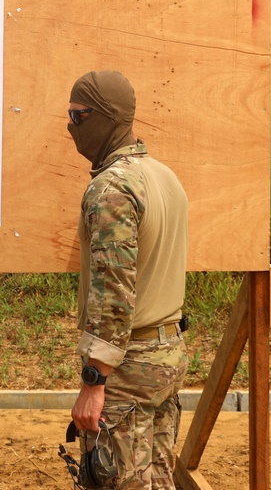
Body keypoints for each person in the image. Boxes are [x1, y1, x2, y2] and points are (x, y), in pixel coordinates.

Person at [65, 70, 189, 489]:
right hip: (166, 353)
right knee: (158, 481)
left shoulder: (112, 189)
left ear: (105, 117)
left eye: (78, 116)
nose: (70, 127)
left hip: (127, 367)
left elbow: (113, 291)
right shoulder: (164, 176)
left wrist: (95, 380)